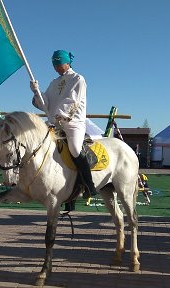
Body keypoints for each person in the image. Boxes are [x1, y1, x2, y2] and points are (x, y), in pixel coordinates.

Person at [30, 49, 96, 199]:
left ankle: (89, 185)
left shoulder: (78, 79)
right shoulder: (54, 83)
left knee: (74, 149)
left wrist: (60, 116)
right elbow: (45, 104)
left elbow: (73, 101)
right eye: (55, 65)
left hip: (73, 123)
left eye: (59, 64)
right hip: (55, 123)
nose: (57, 68)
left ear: (67, 63)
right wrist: (36, 92)